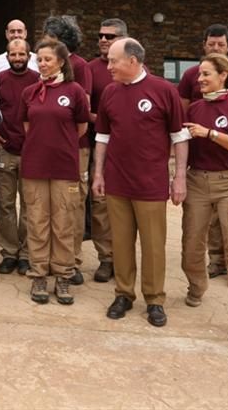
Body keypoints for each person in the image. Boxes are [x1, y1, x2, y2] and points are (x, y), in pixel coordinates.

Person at [93, 38, 189, 328]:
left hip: (150, 184)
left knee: (153, 245)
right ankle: (123, 294)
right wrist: (98, 173)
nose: (108, 66)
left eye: (113, 60)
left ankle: (154, 299)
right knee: (120, 243)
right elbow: (102, 138)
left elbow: (179, 137)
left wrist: (179, 177)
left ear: (132, 61)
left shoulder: (163, 91)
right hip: (117, 183)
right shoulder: (109, 93)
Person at [181, 53, 228, 348]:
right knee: (191, 244)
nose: (199, 80)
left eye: (205, 74)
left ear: (223, 75)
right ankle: (196, 286)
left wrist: (211, 134)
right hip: (198, 181)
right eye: (199, 75)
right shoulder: (197, 108)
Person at [178, 23, 228, 279]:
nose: (215, 48)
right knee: (203, 222)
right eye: (211, 44)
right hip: (199, 165)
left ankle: (226, 261)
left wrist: (219, 132)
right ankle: (216, 259)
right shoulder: (191, 75)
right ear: (204, 45)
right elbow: (183, 115)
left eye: (220, 44)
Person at [20, 39, 89, 305]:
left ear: (61, 61)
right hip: (35, 166)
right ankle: (39, 273)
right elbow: (28, 126)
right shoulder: (30, 92)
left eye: (48, 59)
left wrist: (60, 144)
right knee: (37, 221)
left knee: (64, 223)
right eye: (39, 59)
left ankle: (63, 275)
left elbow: (81, 128)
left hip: (64, 167)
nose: (43, 64)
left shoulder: (75, 91)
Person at [42, 15, 93, 285]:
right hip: (47, 148)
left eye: (50, 41)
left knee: (71, 204)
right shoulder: (42, 65)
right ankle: (49, 258)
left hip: (75, 148)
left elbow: (81, 112)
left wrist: (65, 143)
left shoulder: (80, 66)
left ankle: (71, 261)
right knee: (47, 204)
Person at [84, 18, 127, 283]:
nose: (102, 40)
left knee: (124, 207)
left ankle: (124, 259)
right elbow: (84, 109)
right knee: (99, 205)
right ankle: (106, 259)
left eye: (109, 37)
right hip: (98, 147)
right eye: (100, 35)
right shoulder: (90, 69)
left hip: (128, 152)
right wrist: (106, 121)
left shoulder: (134, 66)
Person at [0, 38, 39, 275]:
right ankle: (9, 253)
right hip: (5, 150)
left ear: (29, 56)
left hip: (31, 152)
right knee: (5, 204)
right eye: (13, 55)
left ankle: (26, 254)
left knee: (30, 206)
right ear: (7, 56)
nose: (17, 59)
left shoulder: (37, 81)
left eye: (22, 55)